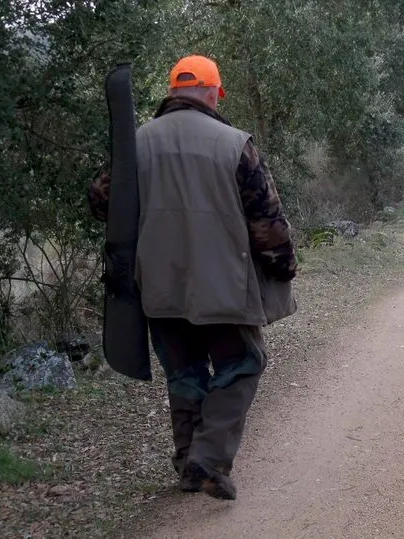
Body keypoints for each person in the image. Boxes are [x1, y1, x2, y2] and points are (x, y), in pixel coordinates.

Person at [87, 55, 298, 501]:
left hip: (158, 288)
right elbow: (267, 222)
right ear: (212, 93)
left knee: (184, 373)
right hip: (224, 287)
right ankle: (208, 457)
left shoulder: (136, 143)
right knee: (243, 364)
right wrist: (284, 265)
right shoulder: (235, 144)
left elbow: (102, 202)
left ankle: (188, 463)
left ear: (173, 92)